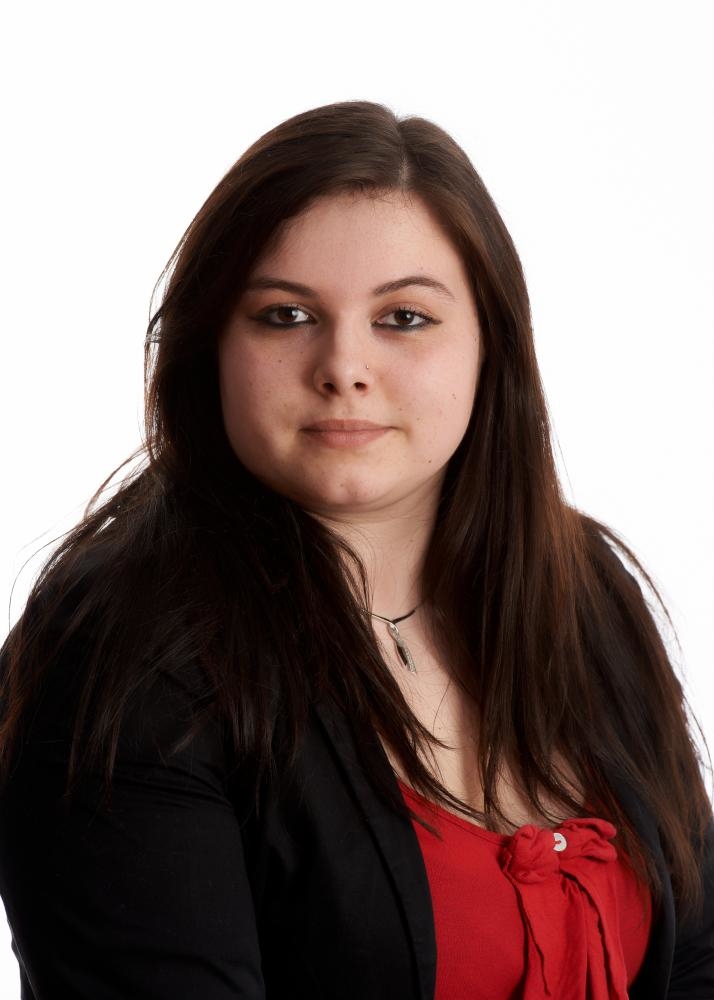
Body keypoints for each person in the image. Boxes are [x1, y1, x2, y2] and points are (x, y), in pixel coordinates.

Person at [0, 99, 712, 1000]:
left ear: (491, 346)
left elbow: (697, 953)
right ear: (210, 344)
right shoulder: (122, 657)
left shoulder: (585, 592)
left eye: (404, 317)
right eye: (285, 315)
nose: (343, 366)